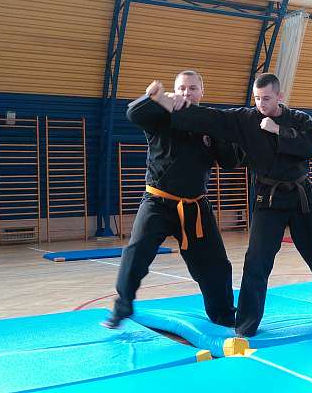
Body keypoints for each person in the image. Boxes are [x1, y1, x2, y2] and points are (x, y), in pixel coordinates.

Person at [147, 73, 312, 337]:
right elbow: (212, 118)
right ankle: (245, 326)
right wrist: (167, 102)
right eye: (257, 98)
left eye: (266, 98)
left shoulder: (300, 119)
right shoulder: (246, 120)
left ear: (279, 97)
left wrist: (278, 130)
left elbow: (310, 146)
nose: (261, 104)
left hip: (303, 198)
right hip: (268, 199)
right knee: (257, 262)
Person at [102, 70, 242, 329]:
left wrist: (218, 137)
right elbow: (133, 114)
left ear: (202, 92)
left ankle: (223, 313)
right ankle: (122, 307)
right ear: (174, 91)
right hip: (158, 202)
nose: (186, 93)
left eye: (192, 88)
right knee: (136, 253)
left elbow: (230, 160)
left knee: (215, 265)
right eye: (182, 88)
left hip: (195, 207)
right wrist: (153, 97)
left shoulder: (209, 122)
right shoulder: (160, 115)